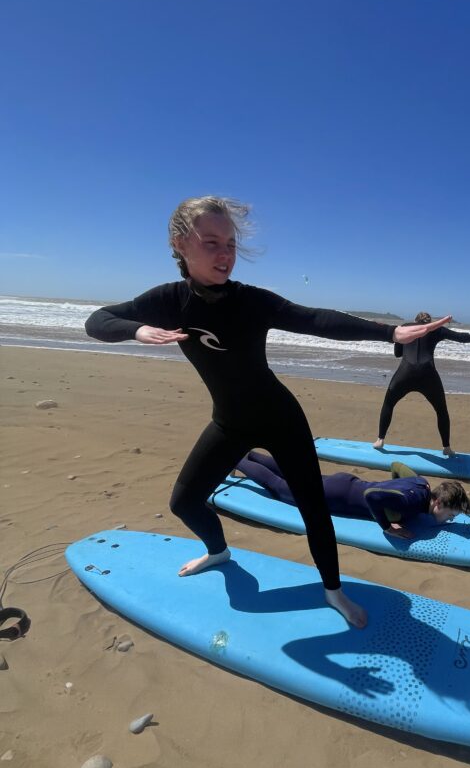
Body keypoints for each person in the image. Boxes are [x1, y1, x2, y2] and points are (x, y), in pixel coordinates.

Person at [84, 196, 451, 629]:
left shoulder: (250, 301)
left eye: (231, 244)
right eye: (212, 242)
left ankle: (333, 591)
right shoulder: (167, 301)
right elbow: (99, 320)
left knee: (314, 510)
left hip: (281, 419)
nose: (225, 255)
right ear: (180, 244)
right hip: (229, 422)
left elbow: (313, 319)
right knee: (184, 502)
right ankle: (218, 550)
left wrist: (388, 331)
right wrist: (137, 329)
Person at [236, 451, 470, 539]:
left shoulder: (422, 484)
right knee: (279, 487)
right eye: (451, 514)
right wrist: (387, 527)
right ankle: (237, 459)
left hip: (345, 482)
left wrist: (394, 491)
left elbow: (396, 466)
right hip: (334, 497)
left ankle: (252, 455)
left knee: (295, 476)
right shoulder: (411, 503)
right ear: (440, 502)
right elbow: (373, 495)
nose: (451, 519)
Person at [374, 312, 470, 456]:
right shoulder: (436, 329)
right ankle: (447, 447)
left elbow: (398, 354)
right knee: (441, 411)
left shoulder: (404, 328)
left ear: (415, 320)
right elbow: (461, 337)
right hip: (428, 375)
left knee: (389, 404)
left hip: (405, 374)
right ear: (430, 321)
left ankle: (380, 439)